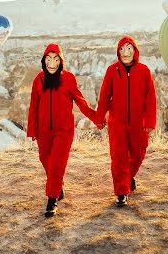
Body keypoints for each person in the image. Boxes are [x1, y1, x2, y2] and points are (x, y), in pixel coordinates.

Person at [27, 43, 97, 217]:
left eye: (56, 59)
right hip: (43, 130)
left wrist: (97, 117)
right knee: (46, 160)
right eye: (49, 59)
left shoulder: (69, 78)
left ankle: (52, 200)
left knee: (57, 163)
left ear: (60, 61)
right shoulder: (39, 80)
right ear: (44, 61)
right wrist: (32, 130)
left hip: (63, 130)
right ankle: (58, 187)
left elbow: (81, 102)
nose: (52, 62)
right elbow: (33, 106)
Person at [95, 36, 157, 207]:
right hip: (117, 123)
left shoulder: (144, 71)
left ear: (135, 51)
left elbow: (150, 98)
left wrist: (150, 121)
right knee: (119, 157)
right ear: (118, 52)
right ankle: (121, 192)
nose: (125, 52)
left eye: (129, 48)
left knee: (138, 153)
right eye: (122, 49)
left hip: (139, 122)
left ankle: (129, 176)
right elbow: (104, 96)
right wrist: (100, 117)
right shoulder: (112, 71)